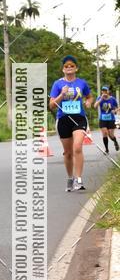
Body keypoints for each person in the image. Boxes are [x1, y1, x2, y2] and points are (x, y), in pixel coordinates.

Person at [49, 55, 93, 192]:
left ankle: (78, 179)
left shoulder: (82, 83)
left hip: (79, 118)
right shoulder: (57, 84)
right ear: (63, 69)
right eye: (66, 66)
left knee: (77, 147)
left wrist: (88, 102)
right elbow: (52, 105)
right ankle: (70, 177)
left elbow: (89, 96)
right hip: (63, 119)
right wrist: (62, 94)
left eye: (72, 66)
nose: (69, 68)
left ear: (76, 68)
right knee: (68, 153)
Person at [94, 85, 119, 153]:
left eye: (105, 91)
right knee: (105, 133)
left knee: (111, 135)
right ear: (102, 92)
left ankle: (115, 142)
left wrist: (115, 111)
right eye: (103, 91)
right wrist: (101, 99)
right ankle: (106, 149)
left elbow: (117, 108)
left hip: (111, 119)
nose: (104, 92)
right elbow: (95, 106)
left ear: (108, 91)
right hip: (103, 119)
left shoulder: (112, 99)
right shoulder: (99, 98)